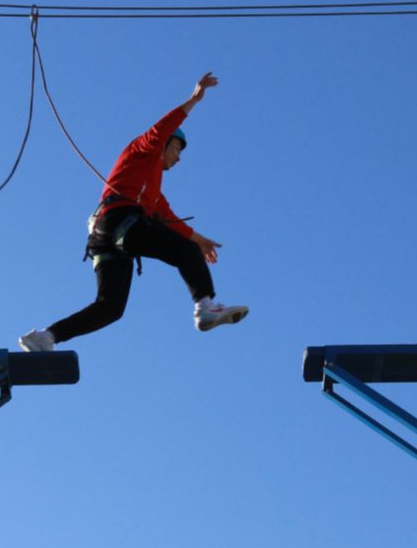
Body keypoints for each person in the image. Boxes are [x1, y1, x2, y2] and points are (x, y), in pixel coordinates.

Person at [19, 72, 248, 353]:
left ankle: (46, 337)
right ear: (164, 145)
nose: (179, 158)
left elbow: (167, 218)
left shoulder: (150, 190)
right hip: (120, 223)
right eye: (177, 149)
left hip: (105, 238)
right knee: (184, 250)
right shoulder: (143, 149)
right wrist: (194, 100)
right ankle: (205, 306)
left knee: (111, 307)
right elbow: (160, 131)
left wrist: (199, 239)